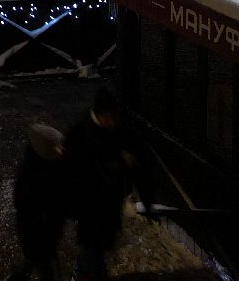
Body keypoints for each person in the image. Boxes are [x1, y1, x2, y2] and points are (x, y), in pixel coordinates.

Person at [63, 88, 143, 281]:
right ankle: (83, 274)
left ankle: (90, 272)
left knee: (97, 245)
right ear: (99, 115)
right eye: (109, 117)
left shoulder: (109, 128)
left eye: (114, 117)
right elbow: (79, 168)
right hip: (89, 201)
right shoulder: (82, 132)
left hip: (105, 200)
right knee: (91, 245)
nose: (112, 122)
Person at [8, 122, 70, 281]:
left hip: (44, 233)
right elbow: (32, 207)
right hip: (39, 234)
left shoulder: (47, 163)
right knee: (46, 268)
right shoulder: (32, 177)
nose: (60, 150)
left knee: (33, 260)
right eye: (55, 147)